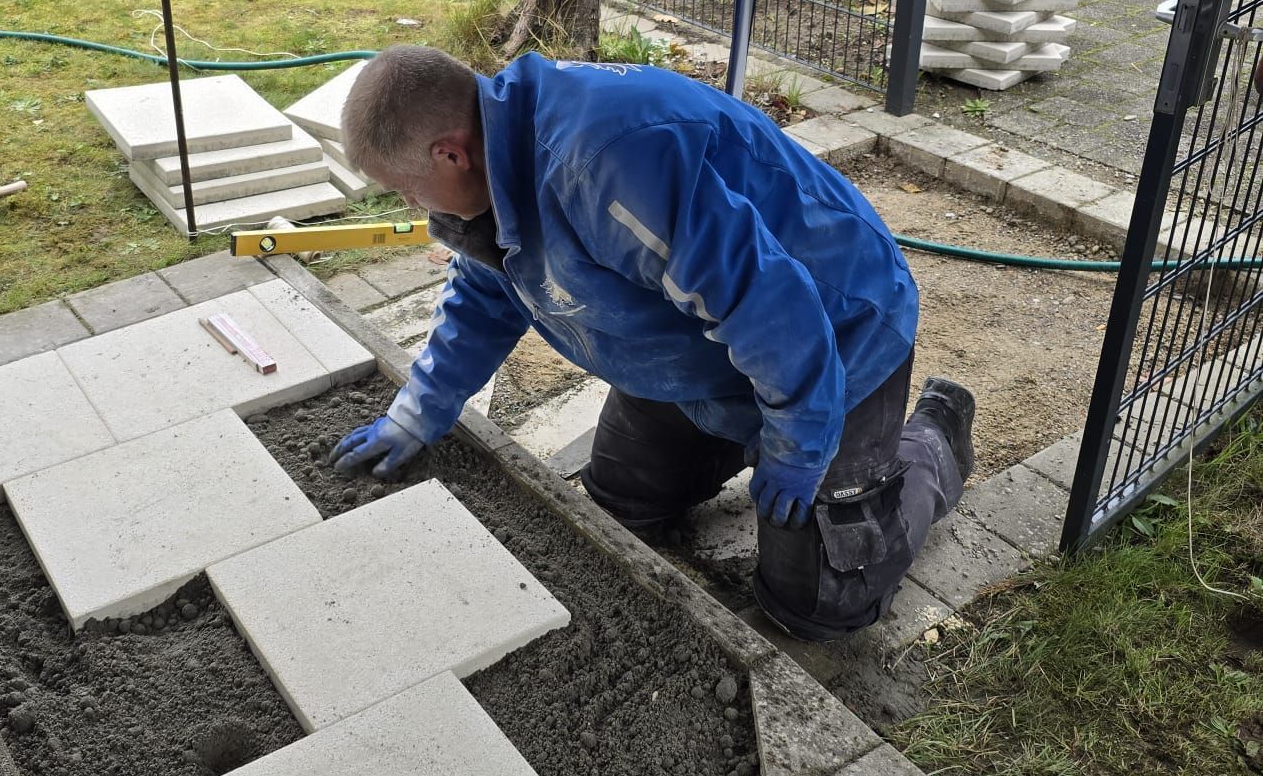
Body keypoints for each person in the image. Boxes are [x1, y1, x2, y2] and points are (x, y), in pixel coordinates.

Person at [329, 45, 974, 641]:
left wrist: (799, 444)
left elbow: (774, 310)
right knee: (621, 503)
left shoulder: (602, 165)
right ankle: (741, 433)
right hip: (704, 353)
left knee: (815, 604)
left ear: (451, 154)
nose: (411, 204)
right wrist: (419, 411)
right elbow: (484, 292)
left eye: (405, 188)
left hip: (837, 330)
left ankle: (935, 437)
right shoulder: (495, 167)